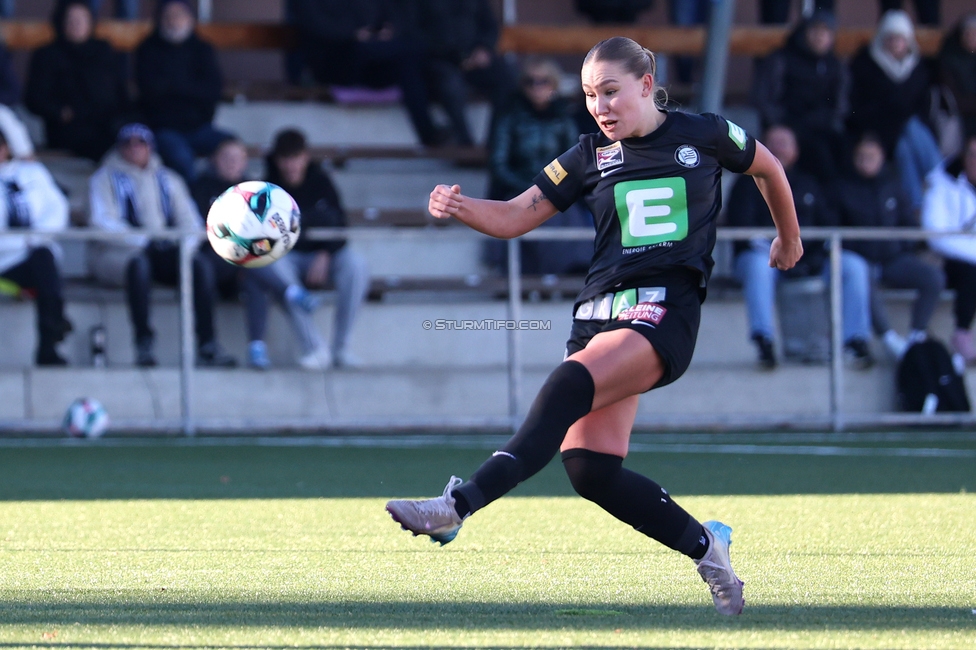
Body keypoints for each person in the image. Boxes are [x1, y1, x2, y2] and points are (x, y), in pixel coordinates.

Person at [386, 36, 803, 617]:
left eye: (610, 92)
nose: (600, 106)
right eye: (588, 95)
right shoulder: (587, 155)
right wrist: (460, 207)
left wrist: (789, 235)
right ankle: (711, 551)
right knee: (592, 471)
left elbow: (768, 166)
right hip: (598, 315)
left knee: (566, 386)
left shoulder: (704, 133)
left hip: (664, 312)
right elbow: (514, 216)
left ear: (646, 83)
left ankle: (457, 505)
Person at [89, 123, 237, 368]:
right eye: (129, 143)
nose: (135, 148)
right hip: (119, 252)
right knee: (139, 266)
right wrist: (141, 240)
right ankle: (143, 343)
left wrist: (183, 247)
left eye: (141, 143)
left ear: (151, 147)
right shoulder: (104, 178)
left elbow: (190, 220)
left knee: (199, 265)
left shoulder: (169, 179)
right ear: (120, 147)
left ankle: (207, 344)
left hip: (162, 249)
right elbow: (102, 221)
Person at [727, 124, 873, 369]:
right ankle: (764, 341)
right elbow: (742, 230)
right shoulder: (746, 183)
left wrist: (807, 254)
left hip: (808, 260)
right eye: (772, 142)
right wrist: (782, 250)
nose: (778, 148)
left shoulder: (809, 183)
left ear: (796, 150)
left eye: (785, 142)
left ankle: (855, 342)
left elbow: (828, 226)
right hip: (765, 260)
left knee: (853, 265)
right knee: (756, 265)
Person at [243, 129, 369, 370]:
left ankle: (341, 348)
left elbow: (339, 224)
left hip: (321, 255)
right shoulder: (268, 189)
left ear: (306, 157)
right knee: (272, 267)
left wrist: (325, 252)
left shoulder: (321, 181)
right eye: (286, 158)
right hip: (287, 256)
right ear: (277, 160)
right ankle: (314, 347)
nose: (291, 165)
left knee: (356, 265)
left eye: (296, 157)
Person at [833, 133, 945, 358]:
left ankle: (917, 333)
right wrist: (863, 249)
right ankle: (888, 337)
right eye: (862, 157)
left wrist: (899, 247)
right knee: (861, 275)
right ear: (854, 159)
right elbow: (835, 228)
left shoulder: (894, 186)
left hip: (894, 260)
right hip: (861, 259)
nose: (866, 162)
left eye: (871, 157)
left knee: (933, 277)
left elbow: (909, 225)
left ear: (882, 158)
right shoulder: (842, 188)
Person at [289, 0, 445, 147]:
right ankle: (433, 58)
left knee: (406, 66)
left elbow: (387, 13)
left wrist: (388, 30)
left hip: (369, 59)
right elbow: (314, 25)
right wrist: (354, 33)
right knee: (411, 49)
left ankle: (428, 134)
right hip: (333, 63)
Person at [486, 58, 591, 275]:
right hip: (518, 187)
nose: (536, 87)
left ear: (553, 85)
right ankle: (533, 275)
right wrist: (531, 187)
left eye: (543, 81)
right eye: (529, 82)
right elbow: (498, 165)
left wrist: (551, 188)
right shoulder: (509, 118)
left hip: (557, 190)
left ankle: (568, 272)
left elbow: (574, 161)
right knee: (528, 208)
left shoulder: (564, 119)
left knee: (566, 212)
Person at [847, 10, 942, 212]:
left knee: (907, 142)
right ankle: (937, 184)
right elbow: (859, 106)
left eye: (900, 39)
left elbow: (925, 106)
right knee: (907, 133)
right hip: (879, 130)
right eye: (891, 39)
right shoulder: (865, 65)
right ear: (882, 39)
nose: (896, 44)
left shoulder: (919, 68)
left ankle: (928, 195)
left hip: (909, 133)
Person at [134, 0, 234, 183]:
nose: (174, 21)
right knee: (181, 157)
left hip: (200, 127)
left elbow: (213, 90)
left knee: (232, 149)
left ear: (190, 19)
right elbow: (151, 93)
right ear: (160, 20)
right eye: (169, 17)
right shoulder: (147, 49)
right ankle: (192, 206)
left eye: (179, 16)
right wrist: (190, 90)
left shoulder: (203, 49)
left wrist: (174, 88)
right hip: (163, 129)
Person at [25, 0, 130, 162]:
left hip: (107, 122)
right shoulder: (47, 55)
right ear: (61, 22)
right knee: (111, 149)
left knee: (136, 139)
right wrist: (60, 112)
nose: (76, 25)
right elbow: (34, 98)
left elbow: (120, 91)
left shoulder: (103, 51)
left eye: (81, 19)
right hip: (68, 129)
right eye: (71, 20)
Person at [0, 131, 72, 366]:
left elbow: (57, 208)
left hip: (35, 254)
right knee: (45, 268)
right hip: (3, 263)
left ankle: (47, 347)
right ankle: (56, 323)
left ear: (7, 148)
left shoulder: (33, 173)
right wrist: (26, 240)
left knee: (44, 260)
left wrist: (33, 239)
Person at [752, 10, 848, 183]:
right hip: (784, 125)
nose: (820, 37)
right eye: (815, 31)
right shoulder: (782, 58)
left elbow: (841, 103)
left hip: (821, 129)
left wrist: (826, 120)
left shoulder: (835, 65)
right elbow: (763, 97)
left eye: (825, 32)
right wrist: (779, 124)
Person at [412, 0, 516, 146]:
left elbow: (490, 26)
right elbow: (415, 32)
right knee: (450, 86)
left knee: (506, 77)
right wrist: (452, 56)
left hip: (475, 59)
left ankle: (495, 141)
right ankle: (464, 143)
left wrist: (483, 48)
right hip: (440, 61)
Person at [921, 135, 976, 363]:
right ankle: (962, 332)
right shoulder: (940, 183)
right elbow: (936, 235)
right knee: (970, 271)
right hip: (943, 261)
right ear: (964, 157)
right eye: (973, 155)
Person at [190, 137, 250, 300]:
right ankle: (204, 325)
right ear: (214, 159)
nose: (231, 162)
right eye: (226, 157)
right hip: (212, 250)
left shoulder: (255, 189)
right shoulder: (201, 187)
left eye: (236, 158)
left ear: (244, 162)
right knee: (203, 266)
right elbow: (199, 222)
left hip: (246, 252)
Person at [938, 13, 976, 142]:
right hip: (956, 117)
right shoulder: (949, 58)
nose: (971, 37)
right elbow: (952, 98)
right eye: (967, 33)